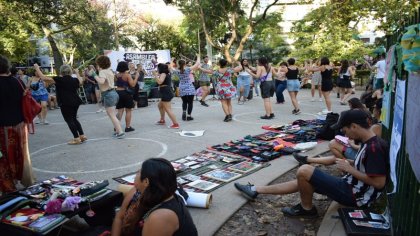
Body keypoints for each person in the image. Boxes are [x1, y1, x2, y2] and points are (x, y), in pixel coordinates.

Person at [235, 109, 389, 218]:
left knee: (304, 171)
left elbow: (379, 183)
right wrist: (351, 163)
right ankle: (255, 189)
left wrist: (350, 169)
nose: (345, 134)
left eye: (344, 130)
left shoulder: (374, 148)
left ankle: (306, 209)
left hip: (356, 196)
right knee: (304, 179)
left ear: (354, 126)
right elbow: (367, 168)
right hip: (350, 187)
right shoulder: (368, 142)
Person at [111, 158, 198, 236]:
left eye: (139, 172)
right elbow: (119, 217)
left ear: (146, 182)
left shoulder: (160, 217)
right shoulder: (139, 191)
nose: (136, 175)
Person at [0, 55, 35, 193]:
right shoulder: (17, 81)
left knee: (4, 157)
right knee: (22, 154)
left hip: (2, 126)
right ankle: (26, 179)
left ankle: (9, 185)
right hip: (20, 124)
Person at [91, 55, 124, 138]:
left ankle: (120, 132)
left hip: (108, 94)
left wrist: (94, 74)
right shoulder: (109, 71)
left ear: (100, 63)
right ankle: (118, 131)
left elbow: (101, 81)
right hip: (113, 93)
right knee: (112, 114)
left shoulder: (102, 72)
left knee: (112, 115)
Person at [171, 57, 200, 121]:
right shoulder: (188, 69)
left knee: (184, 101)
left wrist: (172, 60)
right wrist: (198, 57)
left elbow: (171, 67)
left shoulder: (177, 71)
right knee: (190, 102)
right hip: (189, 87)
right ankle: (189, 116)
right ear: (184, 64)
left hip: (182, 87)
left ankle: (184, 112)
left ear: (179, 64)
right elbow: (197, 64)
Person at [154, 63, 179, 129]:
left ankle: (175, 124)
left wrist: (155, 75)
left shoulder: (163, 74)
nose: (157, 69)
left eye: (158, 68)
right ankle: (162, 120)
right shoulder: (166, 73)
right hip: (166, 91)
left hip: (165, 92)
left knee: (168, 109)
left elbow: (160, 82)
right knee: (160, 105)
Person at [115, 61, 138, 133]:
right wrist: (136, 77)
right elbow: (133, 85)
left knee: (120, 111)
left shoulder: (116, 75)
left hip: (118, 93)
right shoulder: (127, 75)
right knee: (128, 110)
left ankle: (116, 127)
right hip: (126, 93)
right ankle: (127, 127)